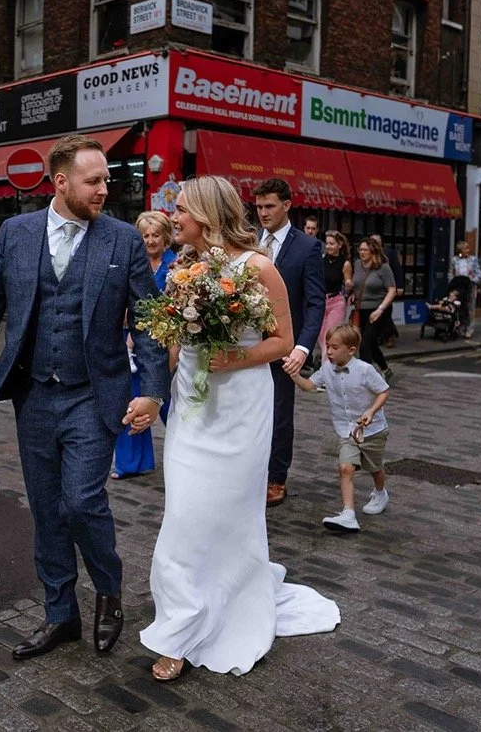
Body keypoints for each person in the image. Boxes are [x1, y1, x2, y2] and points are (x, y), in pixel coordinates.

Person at [0, 134, 168, 662]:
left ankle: (108, 592)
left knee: (82, 502)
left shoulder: (122, 241)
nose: (105, 189)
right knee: (47, 510)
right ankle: (60, 613)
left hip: (94, 393)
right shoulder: (15, 234)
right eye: (95, 180)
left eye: (107, 179)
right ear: (61, 182)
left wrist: (153, 391)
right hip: (35, 395)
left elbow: (151, 321)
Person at [139, 175, 340, 681]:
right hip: (191, 407)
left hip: (241, 408)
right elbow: (171, 342)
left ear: (206, 214)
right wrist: (151, 394)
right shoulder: (181, 270)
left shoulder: (259, 268)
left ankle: (229, 598)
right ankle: (180, 626)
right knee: (184, 513)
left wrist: (235, 357)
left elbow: (283, 341)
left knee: (227, 513)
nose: (173, 217)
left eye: (181, 209)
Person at [252, 179, 325, 508]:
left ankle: (276, 477)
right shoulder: (249, 240)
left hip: (285, 347)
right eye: (258, 207)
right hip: (249, 344)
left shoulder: (307, 247)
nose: (263, 213)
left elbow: (314, 303)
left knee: (280, 414)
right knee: (250, 412)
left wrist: (303, 347)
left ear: (287, 205)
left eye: (269, 206)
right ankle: (250, 472)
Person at [299, 324, 392, 533]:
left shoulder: (365, 370)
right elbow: (308, 386)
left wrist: (371, 411)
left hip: (373, 430)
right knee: (345, 468)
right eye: (327, 347)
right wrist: (293, 373)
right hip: (346, 430)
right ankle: (348, 514)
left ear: (350, 350)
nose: (329, 352)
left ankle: (380, 493)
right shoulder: (326, 369)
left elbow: (384, 391)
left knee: (375, 468)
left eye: (334, 347)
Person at [112, 212, 176, 480]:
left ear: (165, 237)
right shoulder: (134, 263)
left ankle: (185, 457)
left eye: (155, 235)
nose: (150, 241)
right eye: (145, 236)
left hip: (168, 344)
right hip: (132, 345)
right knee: (132, 403)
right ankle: (131, 463)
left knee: (170, 406)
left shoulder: (176, 266)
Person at [351, 238, 398, 379]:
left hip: (378, 310)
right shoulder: (357, 264)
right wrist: (352, 294)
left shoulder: (383, 267)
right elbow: (357, 284)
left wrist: (380, 309)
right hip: (361, 310)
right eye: (360, 250)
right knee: (368, 343)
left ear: (373, 251)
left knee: (366, 343)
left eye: (365, 250)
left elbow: (392, 290)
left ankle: (364, 378)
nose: (362, 253)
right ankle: (385, 369)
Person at [318, 230, 353, 345]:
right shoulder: (321, 261)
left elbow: (348, 281)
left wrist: (348, 284)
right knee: (321, 336)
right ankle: (329, 362)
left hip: (336, 301)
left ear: (340, 245)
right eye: (327, 243)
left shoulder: (345, 263)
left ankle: (327, 362)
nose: (328, 247)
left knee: (331, 336)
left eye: (331, 244)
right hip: (321, 301)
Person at [369, 233, 403, 346]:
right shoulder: (368, 254)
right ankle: (381, 335)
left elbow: (397, 269)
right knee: (376, 312)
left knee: (386, 312)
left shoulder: (389, 254)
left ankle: (389, 335)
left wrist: (399, 286)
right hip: (373, 288)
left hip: (388, 287)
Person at [450, 240, 481, 338]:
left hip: (469, 287)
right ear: (460, 250)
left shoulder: (473, 260)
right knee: (458, 308)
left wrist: (473, 280)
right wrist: (451, 283)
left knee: (469, 308)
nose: (468, 250)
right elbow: (451, 272)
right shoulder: (455, 260)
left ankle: (469, 329)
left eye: (468, 248)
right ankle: (460, 328)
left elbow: (479, 273)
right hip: (458, 286)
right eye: (466, 248)